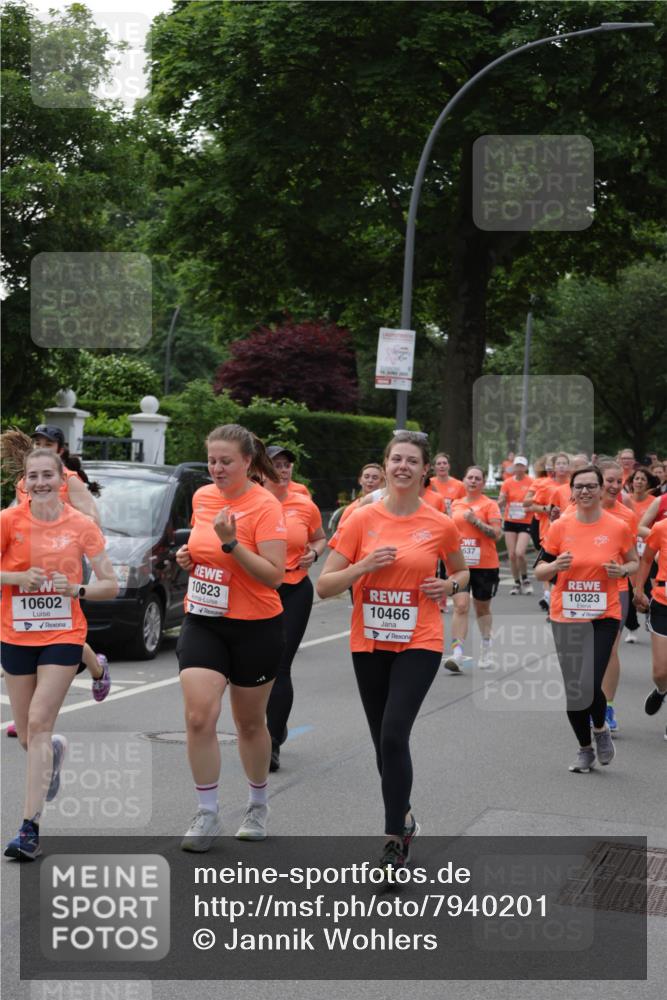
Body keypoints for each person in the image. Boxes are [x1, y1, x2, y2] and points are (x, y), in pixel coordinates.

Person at [317, 431, 468, 873]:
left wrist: (449, 585)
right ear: (384, 466)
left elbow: (463, 572)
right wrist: (363, 566)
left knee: (394, 733)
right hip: (369, 641)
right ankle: (404, 817)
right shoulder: (359, 519)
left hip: (420, 639)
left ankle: (392, 840)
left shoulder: (440, 522)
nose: (403, 466)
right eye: (396, 459)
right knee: (382, 742)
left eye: (412, 460)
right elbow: (324, 585)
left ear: (425, 470)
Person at [1, 449, 118, 860]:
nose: (40, 483)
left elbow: (110, 583)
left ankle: (29, 830)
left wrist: (77, 589)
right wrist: (16, 577)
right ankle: (52, 753)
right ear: (24, 482)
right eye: (32, 476)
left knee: (38, 722)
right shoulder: (8, 521)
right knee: (28, 737)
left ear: (61, 480)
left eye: (47, 475)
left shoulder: (81, 525)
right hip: (16, 634)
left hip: (64, 634)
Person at [175, 425, 287, 851]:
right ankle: (207, 813)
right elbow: (202, 548)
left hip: (255, 626)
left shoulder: (265, 506)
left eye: (226, 461)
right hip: (203, 619)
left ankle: (257, 804)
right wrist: (189, 557)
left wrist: (231, 545)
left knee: (249, 723)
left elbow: (274, 576)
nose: (217, 468)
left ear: (247, 462)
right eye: (212, 461)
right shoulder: (203, 498)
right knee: (199, 716)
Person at [1, 426, 110, 722]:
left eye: (48, 444)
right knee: (36, 621)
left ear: (60, 450)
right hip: (28, 563)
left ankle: (96, 670)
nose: (42, 447)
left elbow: (92, 517)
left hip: (66, 559)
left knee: (60, 622)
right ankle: (31, 713)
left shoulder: (70, 480)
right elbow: (18, 513)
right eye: (37, 442)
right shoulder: (25, 482)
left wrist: (65, 529)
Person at [535, 466, 638, 774]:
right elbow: (539, 570)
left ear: (601, 489)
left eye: (591, 486)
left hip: (603, 615)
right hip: (566, 615)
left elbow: (634, 561)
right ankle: (585, 748)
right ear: (572, 491)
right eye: (579, 486)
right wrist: (555, 566)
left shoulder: (618, 527)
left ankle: (600, 728)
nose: (585, 491)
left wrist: (623, 571)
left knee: (589, 682)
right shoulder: (560, 527)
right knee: (575, 690)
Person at [262, 457, 326, 772]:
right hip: (259, 590)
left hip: (295, 588)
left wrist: (314, 552)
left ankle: (272, 741)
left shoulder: (304, 504)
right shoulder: (249, 503)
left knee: (280, 664)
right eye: (276, 464)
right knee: (254, 666)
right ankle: (270, 722)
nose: (283, 469)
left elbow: (320, 537)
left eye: (287, 464)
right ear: (261, 470)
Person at [443, 466, 502, 671]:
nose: (473, 481)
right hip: (460, 565)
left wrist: (475, 521)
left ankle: (486, 648)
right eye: (470, 478)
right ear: (464, 481)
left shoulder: (490, 505)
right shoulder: (456, 504)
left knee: (482, 608)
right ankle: (457, 654)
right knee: (460, 606)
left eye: (478, 478)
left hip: (485, 565)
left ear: (483, 483)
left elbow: (497, 534)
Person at [633, 515, 667, 738]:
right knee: (660, 671)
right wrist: (638, 590)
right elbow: (646, 559)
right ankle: (662, 690)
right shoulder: (661, 527)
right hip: (663, 603)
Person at [524, 452, 571, 612]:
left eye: (565, 463)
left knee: (565, 568)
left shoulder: (574, 485)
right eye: (559, 464)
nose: (562, 466)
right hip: (548, 531)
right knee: (549, 565)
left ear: (569, 467)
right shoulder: (545, 485)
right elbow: (530, 505)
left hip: (569, 533)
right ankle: (549, 596)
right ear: (553, 467)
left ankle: (557, 599)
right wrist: (547, 509)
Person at [498, 455, 534, 595]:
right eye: (517, 465)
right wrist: (502, 500)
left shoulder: (531, 482)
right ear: (513, 467)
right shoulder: (507, 483)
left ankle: (525, 579)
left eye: (521, 466)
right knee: (512, 555)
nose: (519, 468)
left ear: (525, 468)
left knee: (520, 553)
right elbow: (500, 501)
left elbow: (537, 499)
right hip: (510, 521)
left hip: (525, 521)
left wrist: (529, 504)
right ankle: (516, 582)